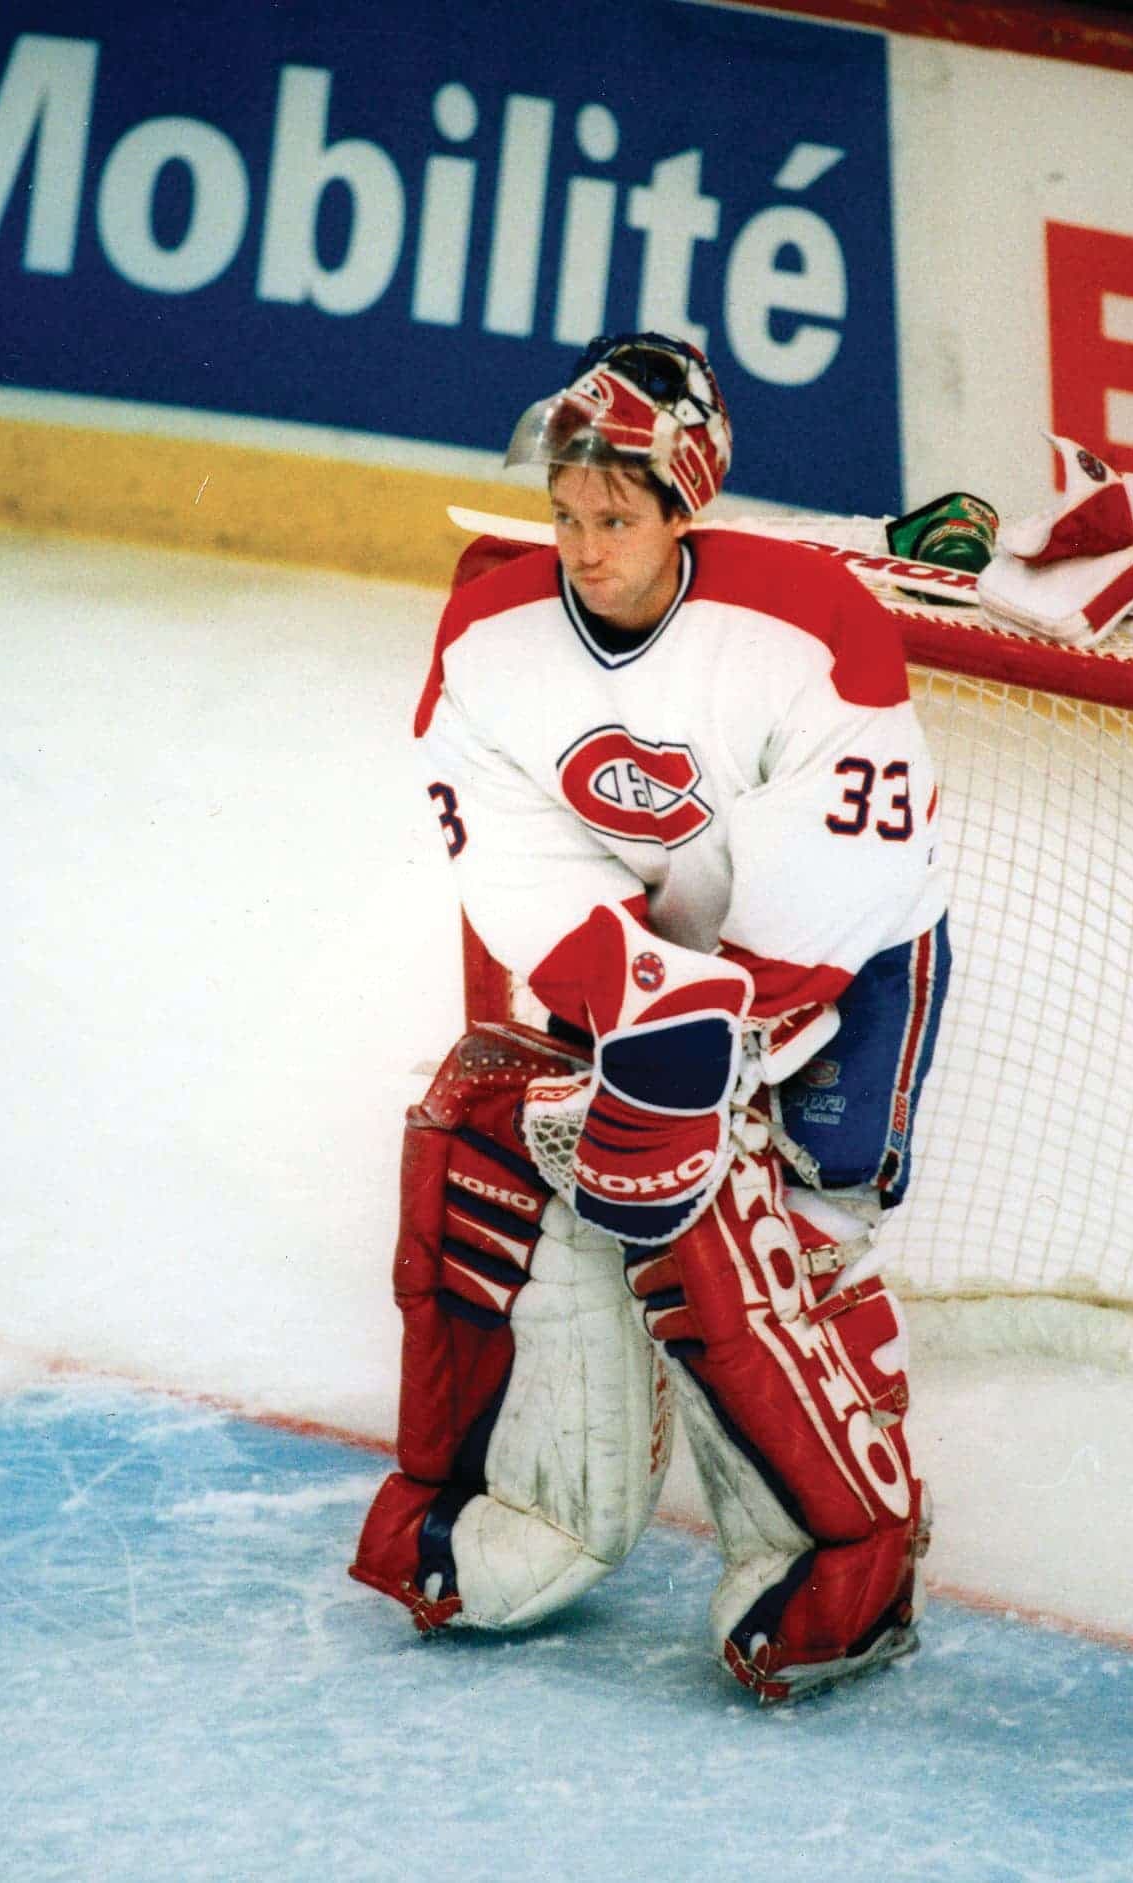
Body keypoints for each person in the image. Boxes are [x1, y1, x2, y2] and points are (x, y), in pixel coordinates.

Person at [351, 333, 951, 1703]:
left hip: (850, 964)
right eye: (563, 515)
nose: (579, 544)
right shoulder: (494, 638)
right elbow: (501, 852)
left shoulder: (807, 628)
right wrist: (644, 1003)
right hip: (653, 964)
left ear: (686, 507)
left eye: (613, 517)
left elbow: (843, 878)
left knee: (804, 1234)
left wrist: (715, 1052)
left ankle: (862, 1537)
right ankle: (558, 1496)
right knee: (543, 1161)